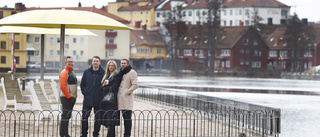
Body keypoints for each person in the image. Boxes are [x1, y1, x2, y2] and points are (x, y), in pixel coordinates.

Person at [100, 60, 131, 137]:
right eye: (109, 66)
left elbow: (114, 87)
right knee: (108, 120)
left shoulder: (116, 75)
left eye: (112, 66)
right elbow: (101, 88)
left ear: (115, 67)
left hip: (112, 100)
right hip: (105, 100)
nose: (110, 67)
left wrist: (105, 86)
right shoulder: (106, 75)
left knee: (111, 121)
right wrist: (103, 86)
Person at [80, 56, 105, 137]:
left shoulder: (103, 72)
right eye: (94, 61)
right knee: (84, 117)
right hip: (88, 99)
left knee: (98, 118)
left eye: (97, 61)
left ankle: (96, 134)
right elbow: (82, 84)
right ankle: (84, 134)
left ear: (99, 62)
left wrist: (102, 94)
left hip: (99, 99)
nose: (95, 62)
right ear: (92, 62)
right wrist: (85, 92)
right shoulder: (86, 72)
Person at [117, 59, 139, 137]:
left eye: (124, 63)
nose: (123, 64)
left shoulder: (132, 72)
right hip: (119, 99)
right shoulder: (120, 72)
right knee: (119, 119)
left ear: (127, 64)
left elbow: (135, 85)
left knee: (127, 119)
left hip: (126, 99)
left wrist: (127, 91)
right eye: (122, 63)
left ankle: (127, 135)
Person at [59, 56, 77, 137]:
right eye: (69, 62)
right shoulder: (64, 72)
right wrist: (69, 97)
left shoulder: (72, 72)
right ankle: (63, 134)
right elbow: (62, 87)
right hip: (66, 98)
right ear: (65, 63)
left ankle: (66, 133)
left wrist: (74, 95)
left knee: (68, 116)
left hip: (72, 97)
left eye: (72, 62)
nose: (70, 63)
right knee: (65, 116)